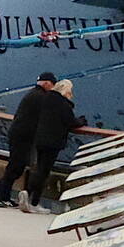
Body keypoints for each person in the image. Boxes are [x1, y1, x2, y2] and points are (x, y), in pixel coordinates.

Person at [0, 72, 58, 208]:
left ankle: (2, 194)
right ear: (47, 83)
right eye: (53, 85)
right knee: (16, 166)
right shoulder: (41, 97)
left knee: (16, 165)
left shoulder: (33, 94)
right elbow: (50, 115)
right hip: (23, 136)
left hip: (19, 134)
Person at [24, 79, 85, 211]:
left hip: (40, 139)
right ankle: (32, 199)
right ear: (66, 90)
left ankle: (29, 197)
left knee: (39, 167)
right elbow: (71, 121)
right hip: (53, 142)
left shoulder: (46, 99)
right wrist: (82, 120)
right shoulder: (63, 104)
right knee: (44, 171)